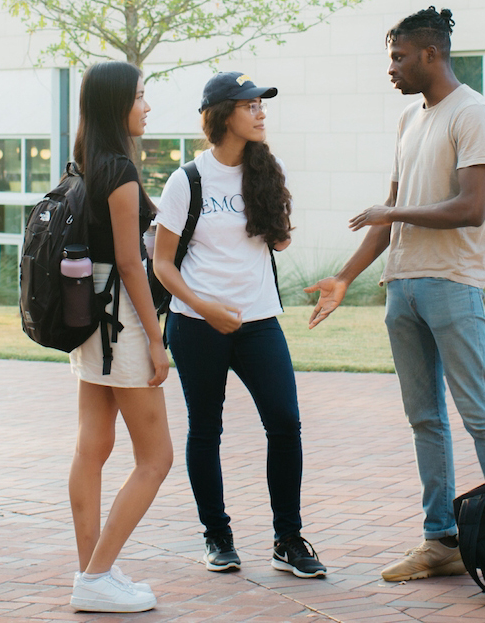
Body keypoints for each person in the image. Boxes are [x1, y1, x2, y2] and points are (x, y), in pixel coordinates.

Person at [305, 6, 485, 582]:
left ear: (431, 54)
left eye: (399, 57)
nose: (392, 68)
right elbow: (390, 216)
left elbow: (472, 208)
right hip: (401, 288)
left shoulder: (474, 114)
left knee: (480, 417)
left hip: (452, 286)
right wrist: (345, 277)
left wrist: (393, 210)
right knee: (424, 418)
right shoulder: (409, 120)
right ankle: (440, 541)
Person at [152, 71, 326, 579]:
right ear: (223, 113)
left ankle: (288, 539)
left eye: (262, 105)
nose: (261, 112)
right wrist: (204, 307)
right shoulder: (188, 179)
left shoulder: (268, 169)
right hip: (196, 324)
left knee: (286, 423)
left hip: (258, 321)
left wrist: (275, 214)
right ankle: (217, 535)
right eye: (251, 105)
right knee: (206, 429)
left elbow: (278, 241)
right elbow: (163, 264)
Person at [66, 61, 173, 613]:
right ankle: (97, 575)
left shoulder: (85, 164)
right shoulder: (121, 174)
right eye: (139, 96)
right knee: (156, 459)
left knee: (92, 447)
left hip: (89, 318)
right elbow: (134, 267)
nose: (147, 105)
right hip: (121, 320)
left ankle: (93, 573)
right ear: (117, 106)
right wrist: (157, 341)